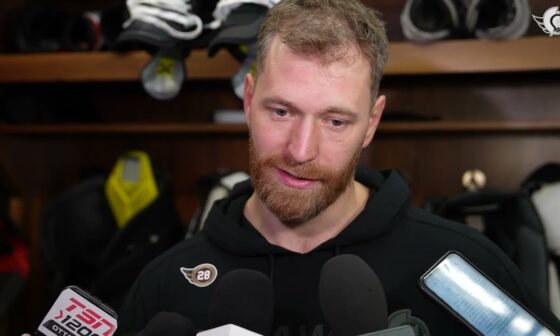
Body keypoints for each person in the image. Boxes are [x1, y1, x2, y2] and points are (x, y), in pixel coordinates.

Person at [116, 0, 560, 335]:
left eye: (335, 121)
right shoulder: (166, 283)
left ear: (371, 123)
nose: (301, 150)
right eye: (282, 111)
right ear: (249, 101)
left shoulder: (460, 269)